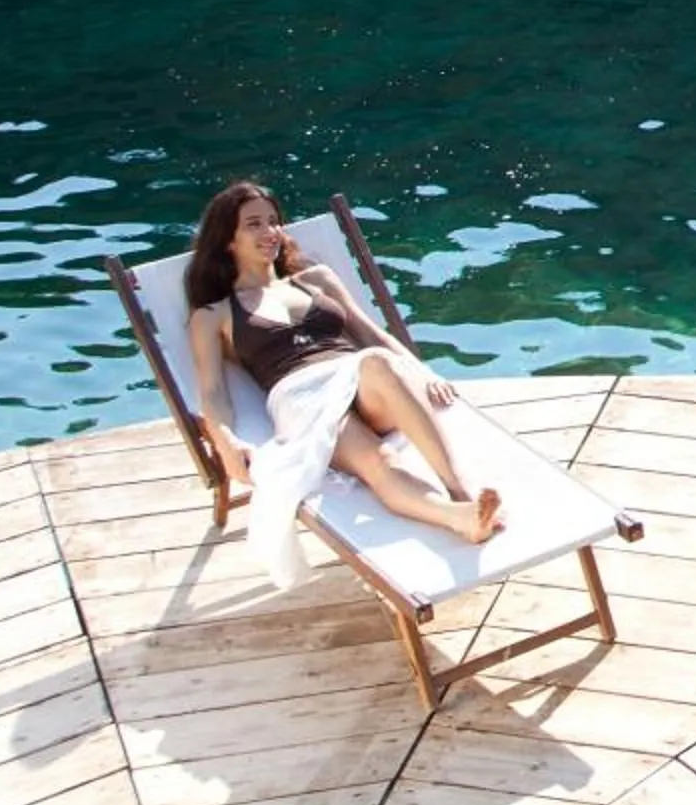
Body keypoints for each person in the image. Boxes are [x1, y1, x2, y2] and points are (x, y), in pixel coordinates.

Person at [183, 180, 501, 588]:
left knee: (377, 362)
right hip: (301, 396)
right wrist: (227, 443)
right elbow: (212, 392)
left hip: (359, 377)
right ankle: (459, 518)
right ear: (228, 239)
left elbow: (372, 335)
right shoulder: (212, 315)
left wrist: (424, 373)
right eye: (254, 224)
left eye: (273, 221)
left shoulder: (317, 279)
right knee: (377, 462)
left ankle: (460, 490)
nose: (270, 232)